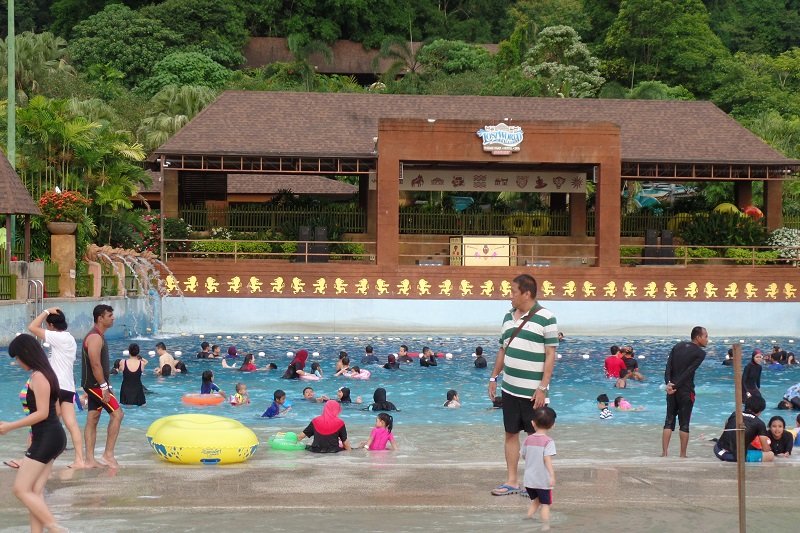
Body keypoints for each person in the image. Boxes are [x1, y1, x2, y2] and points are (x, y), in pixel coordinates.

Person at [488, 274, 558, 497]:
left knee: (535, 437)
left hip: (533, 391)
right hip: (509, 388)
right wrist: (493, 377)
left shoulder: (546, 317)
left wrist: (543, 387)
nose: (510, 297)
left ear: (526, 293)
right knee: (510, 433)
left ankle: (534, 483)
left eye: (513, 292)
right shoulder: (508, 317)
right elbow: (502, 349)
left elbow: (550, 354)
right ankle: (512, 481)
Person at [0, 334, 68, 532]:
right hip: (49, 436)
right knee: (35, 492)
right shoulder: (46, 374)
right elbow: (55, 410)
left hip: (47, 437)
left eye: (18, 358)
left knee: (20, 489)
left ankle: (56, 529)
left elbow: (43, 413)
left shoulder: (39, 376)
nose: (18, 362)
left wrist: (10, 426)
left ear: (27, 355)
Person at [27, 307, 85, 469]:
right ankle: (79, 460)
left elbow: (32, 327)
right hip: (68, 387)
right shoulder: (70, 338)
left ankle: (32, 457)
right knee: (71, 423)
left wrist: (46, 311)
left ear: (51, 325)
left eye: (47, 325)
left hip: (56, 386)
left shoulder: (57, 337)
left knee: (42, 421)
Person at [81, 304, 123, 468]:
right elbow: (95, 364)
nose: (113, 318)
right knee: (118, 415)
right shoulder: (95, 337)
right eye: (110, 315)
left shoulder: (98, 336)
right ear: (100, 318)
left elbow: (101, 366)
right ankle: (108, 455)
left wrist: (108, 384)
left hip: (95, 384)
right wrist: (104, 386)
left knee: (93, 418)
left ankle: (90, 459)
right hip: (95, 385)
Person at [662, 326, 708, 458]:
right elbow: (689, 372)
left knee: (669, 420)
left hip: (671, 389)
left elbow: (668, 366)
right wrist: (676, 385)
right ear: (698, 337)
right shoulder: (700, 353)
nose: (707, 340)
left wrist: (669, 384)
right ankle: (682, 455)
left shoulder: (678, 346)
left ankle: (664, 453)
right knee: (684, 423)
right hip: (686, 390)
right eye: (705, 336)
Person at [521, 406, 557, 529]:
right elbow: (547, 459)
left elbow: (523, 456)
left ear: (533, 423)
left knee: (536, 501)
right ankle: (545, 527)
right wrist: (552, 475)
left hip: (529, 480)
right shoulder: (548, 441)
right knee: (545, 504)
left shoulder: (527, 439)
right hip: (542, 480)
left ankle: (528, 518)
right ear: (552, 425)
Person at [713, 395, 773, 463]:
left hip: (717, 449)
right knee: (770, 455)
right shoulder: (759, 423)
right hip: (732, 456)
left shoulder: (735, 414)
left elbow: (726, 427)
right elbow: (765, 449)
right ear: (760, 411)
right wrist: (769, 448)